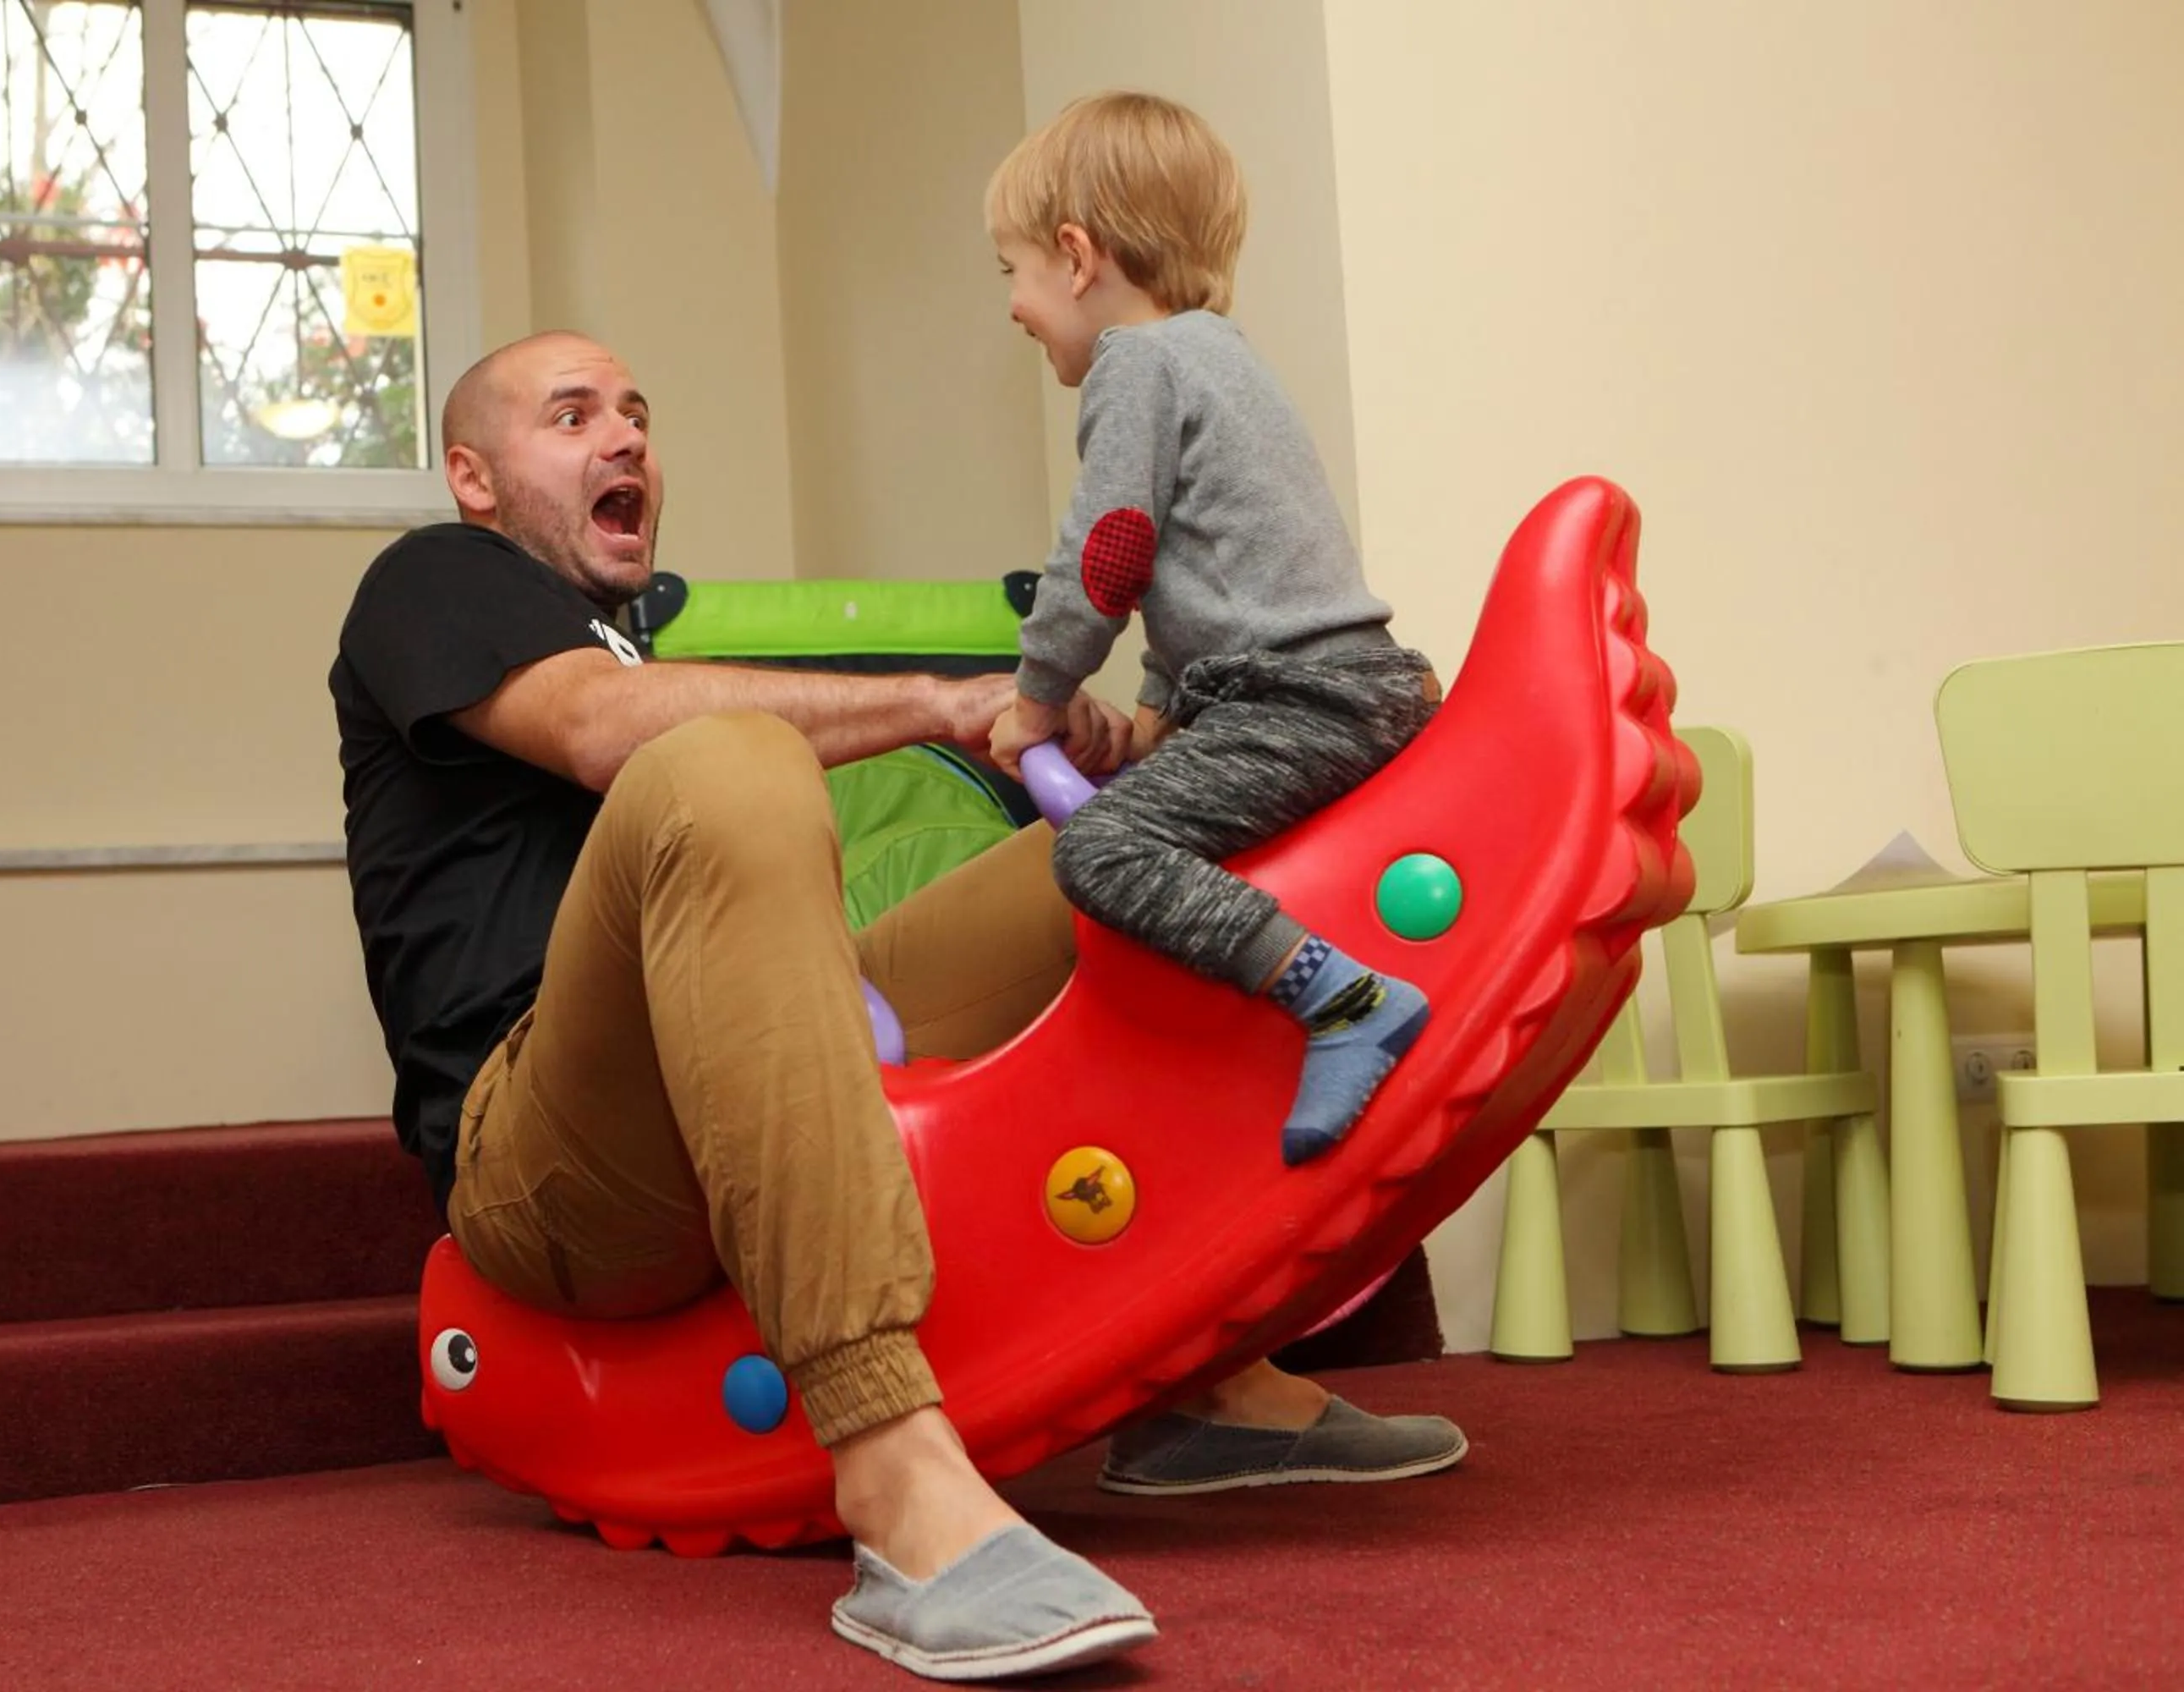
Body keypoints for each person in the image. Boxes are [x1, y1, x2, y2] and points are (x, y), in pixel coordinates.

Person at [332, 330, 1464, 1683]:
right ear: (471, 475)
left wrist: (1097, 729)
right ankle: (892, 1474)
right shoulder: (429, 583)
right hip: (549, 1165)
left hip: (734, 1065)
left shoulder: (622, 630)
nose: (627, 437)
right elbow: (597, 732)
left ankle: (1195, 1382)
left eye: (637, 412)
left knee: (1119, 859)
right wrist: (939, 699)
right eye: (572, 417)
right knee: (724, 765)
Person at [983, 91, 1440, 1168]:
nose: (1013, 307)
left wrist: (1037, 694)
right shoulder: (1220, 354)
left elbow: (1111, 550)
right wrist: (1155, 712)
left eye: (1012, 273)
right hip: (1351, 680)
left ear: (1075, 254)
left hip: (1304, 699)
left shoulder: (1134, 366)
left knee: (1103, 845)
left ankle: (1341, 1000)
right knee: (1148, 821)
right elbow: (1216, 562)